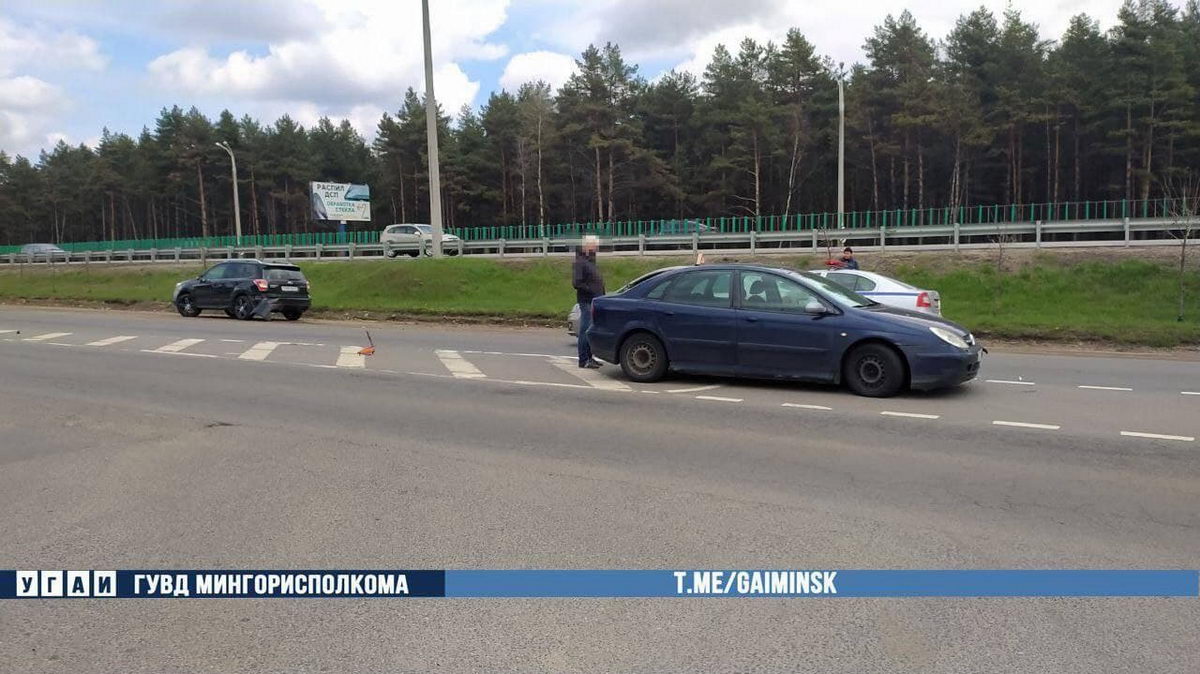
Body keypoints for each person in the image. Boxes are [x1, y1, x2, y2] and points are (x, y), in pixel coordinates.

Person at [572, 235, 605, 368]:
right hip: (586, 301)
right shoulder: (580, 262)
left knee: (590, 330)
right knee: (585, 330)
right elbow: (576, 283)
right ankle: (583, 359)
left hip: (594, 300)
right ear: (586, 246)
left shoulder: (590, 261)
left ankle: (590, 357)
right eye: (594, 245)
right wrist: (591, 290)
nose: (596, 248)